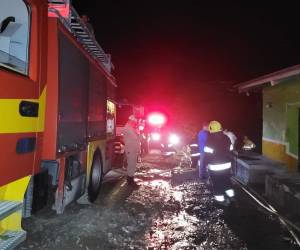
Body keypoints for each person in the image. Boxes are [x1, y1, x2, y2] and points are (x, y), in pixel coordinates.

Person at [121, 115, 140, 185]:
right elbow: (136, 137)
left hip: (133, 149)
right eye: (134, 122)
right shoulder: (128, 128)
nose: (135, 124)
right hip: (130, 149)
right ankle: (130, 180)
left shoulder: (131, 128)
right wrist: (137, 130)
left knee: (133, 164)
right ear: (131, 121)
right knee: (131, 164)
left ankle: (131, 178)